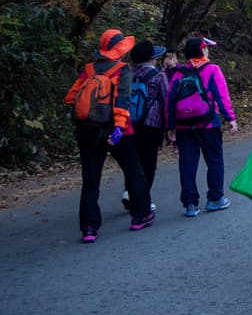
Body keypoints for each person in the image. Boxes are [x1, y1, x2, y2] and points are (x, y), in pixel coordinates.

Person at [64, 28, 153, 242]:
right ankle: (140, 215)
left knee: (90, 181)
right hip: (116, 131)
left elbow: (71, 98)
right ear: (119, 50)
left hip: (87, 131)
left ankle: (89, 228)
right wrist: (118, 128)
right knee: (134, 171)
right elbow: (123, 101)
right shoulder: (122, 70)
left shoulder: (88, 69)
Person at [167, 36, 238, 217]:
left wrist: (171, 126)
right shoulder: (212, 69)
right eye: (206, 48)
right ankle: (215, 199)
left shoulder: (178, 73)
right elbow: (222, 95)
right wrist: (230, 118)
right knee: (214, 160)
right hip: (208, 123)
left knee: (187, 164)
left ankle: (190, 204)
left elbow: (170, 101)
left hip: (184, 126)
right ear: (202, 50)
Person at [125, 39, 169, 212]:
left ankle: (129, 192)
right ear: (151, 59)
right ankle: (143, 199)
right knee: (149, 164)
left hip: (128, 123)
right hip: (151, 124)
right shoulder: (158, 76)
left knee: (133, 161)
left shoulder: (126, 74)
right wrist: (169, 128)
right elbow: (167, 100)